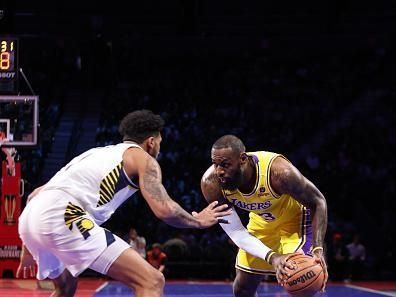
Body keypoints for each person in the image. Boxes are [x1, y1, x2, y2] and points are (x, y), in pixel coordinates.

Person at [17, 110, 231, 297]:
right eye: (159, 142)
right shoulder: (143, 159)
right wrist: (197, 220)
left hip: (30, 218)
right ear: (151, 141)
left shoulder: (96, 153)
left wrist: (28, 251)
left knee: (65, 288)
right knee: (152, 281)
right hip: (63, 215)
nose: (159, 147)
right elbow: (164, 209)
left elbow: (34, 195)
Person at [200, 135, 328, 297]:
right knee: (242, 288)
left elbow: (318, 202)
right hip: (262, 222)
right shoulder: (212, 185)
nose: (219, 171)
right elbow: (235, 232)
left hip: (295, 222)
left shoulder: (279, 173)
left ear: (242, 159)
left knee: (300, 279)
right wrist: (273, 257)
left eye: (225, 165)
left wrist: (317, 249)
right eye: (215, 164)